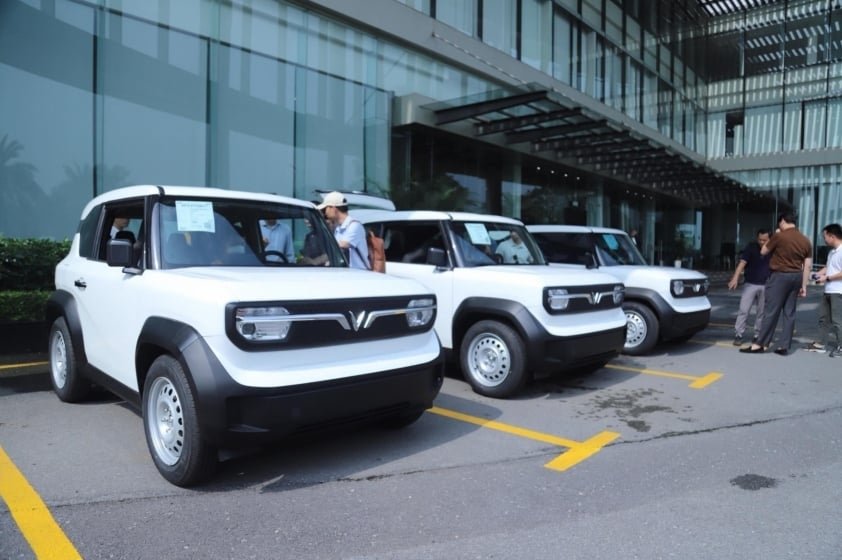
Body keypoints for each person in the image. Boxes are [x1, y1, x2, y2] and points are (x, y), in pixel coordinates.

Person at [740, 213, 813, 356]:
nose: (779, 226)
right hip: (796, 276)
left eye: (779, 223)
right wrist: (804, 286)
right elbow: (808, 265)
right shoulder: (805, 240)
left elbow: (764, 250)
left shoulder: (780, 236)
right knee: (789, 313)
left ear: (783, 221)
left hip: (779, 276)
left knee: (771, 311)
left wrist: (776, 235)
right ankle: (784, 346)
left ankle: (759, 344)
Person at [803, 223, 842, 357]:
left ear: (832, 236)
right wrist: (818, 274)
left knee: (838, 321)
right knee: (824, 319)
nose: (824, 239)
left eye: (825, 236)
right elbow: (828, 267)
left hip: (839, 291)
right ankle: (820, 344)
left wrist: (828, 278)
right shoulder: (832, 252)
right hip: (829, 290)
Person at [728, 229, 771, 346]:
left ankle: (757, 335)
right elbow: (742, 263)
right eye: (760, 239)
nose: (761, 242)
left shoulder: (772, 249)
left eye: (764, 240)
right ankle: (739, 334)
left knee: (761, 312)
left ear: (769, 239)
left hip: (765, 285)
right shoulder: (751, 247)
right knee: (743, 310)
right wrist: (735, 277)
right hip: (750, 284)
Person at [318, 191, 369, 270]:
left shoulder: (355, 226)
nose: (325, 213)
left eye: (326, 208)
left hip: (358, 274)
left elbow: (342, 245)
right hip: (346, 273)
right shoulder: (338, 228)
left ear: (333, 208)